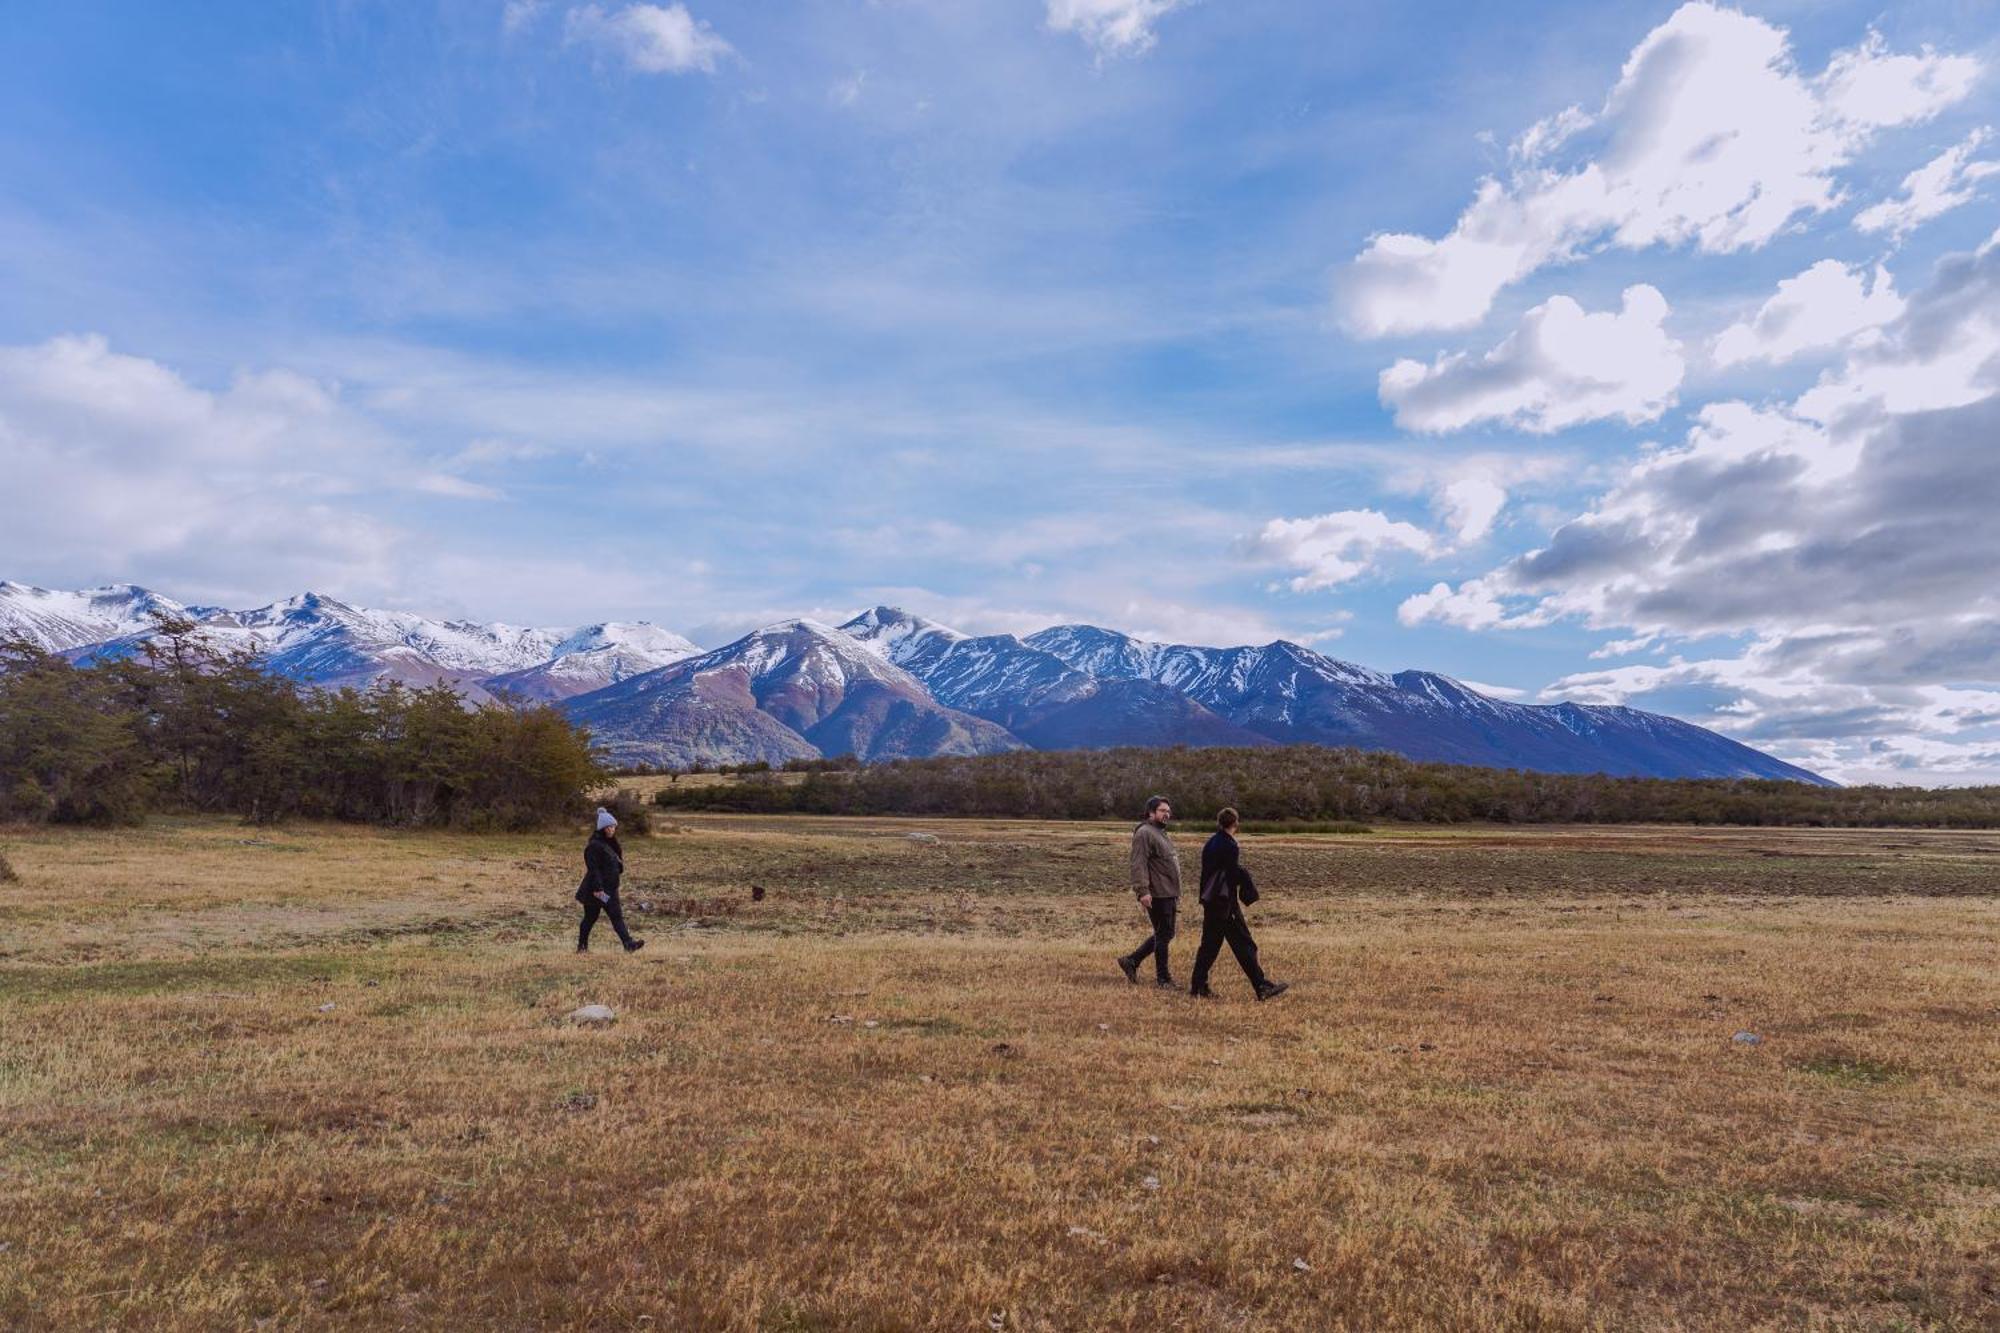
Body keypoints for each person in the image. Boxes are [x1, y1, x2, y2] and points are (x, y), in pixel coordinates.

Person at [1190, 808, 1288, 1001]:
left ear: (1219, 822)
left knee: (1209, 946)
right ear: (1235, 823)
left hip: (1211, 902)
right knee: (1244, 944)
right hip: (1225, 904)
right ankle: (1261, 986)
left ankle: (1198, 985)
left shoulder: (1211, 842)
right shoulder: (1230, 845)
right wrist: (1244, 882)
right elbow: (1231, 875)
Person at [1118, 795, 1182, 988]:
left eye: (1168, 811)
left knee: (1165, 933)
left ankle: (1131, 961)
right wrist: (1143, 891)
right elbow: (1138, 864)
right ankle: (1163, 979)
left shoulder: (1159, 832)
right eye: (1162, 811)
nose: (1167, 814)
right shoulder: (1144, 833)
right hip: (1158, 893)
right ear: (1151, 812)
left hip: (1168, 892)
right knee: (1164, 934)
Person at [576, 807, 645, 954]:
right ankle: (582, 947)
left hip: (610, 889)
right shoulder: (594, 846)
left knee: (615, 916)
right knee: (590, 918)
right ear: (602, 828)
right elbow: (593, 870)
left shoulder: (610, 844)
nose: (612, 829)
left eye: (614, 826)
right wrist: (598, 889)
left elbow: (615, 865)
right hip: (597, 891)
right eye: (609, 827)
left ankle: (628, 944)